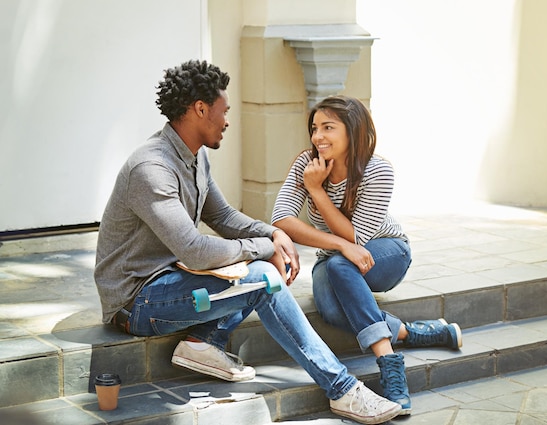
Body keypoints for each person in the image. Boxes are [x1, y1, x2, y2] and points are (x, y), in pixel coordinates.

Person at [94, 60, 402, 424]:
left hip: (173, 282)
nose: (227, 121)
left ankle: (203, 343)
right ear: (200, 109)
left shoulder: (194, 158)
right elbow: (195, 250)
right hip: (137, 302)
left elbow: (223, 218)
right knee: (262, 278)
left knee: (250, 265)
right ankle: (342, 390)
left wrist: (273, 233)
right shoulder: (152, 168)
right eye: (223, 111)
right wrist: (266, 248)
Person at [271, 95, 463, 415]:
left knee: (340, 262)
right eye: (315, 128)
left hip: (386, 252)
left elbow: (356, 238)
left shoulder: (378, 170)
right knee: (332, 309)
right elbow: (281, 219)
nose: (318, 136)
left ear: (353, 130)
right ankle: (412, 332)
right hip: (335, 258)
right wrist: (340, 244)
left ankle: (389, 365)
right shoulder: (308, 164)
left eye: (328, 127)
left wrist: (317, 192)